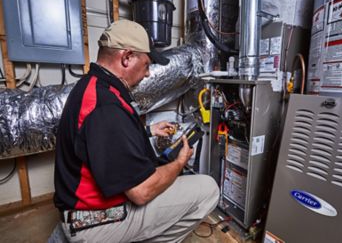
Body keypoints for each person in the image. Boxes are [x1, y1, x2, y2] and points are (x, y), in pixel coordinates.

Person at [54, 19, 219, 242]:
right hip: (94, 222)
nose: (148, 74)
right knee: (208, 188)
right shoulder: (106, 108)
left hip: (79, 212)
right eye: (147, 65)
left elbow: (102, 141)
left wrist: (149, 131)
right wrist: (180, 162)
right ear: (127, 57)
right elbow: (141, 192)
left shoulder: (92, 86)